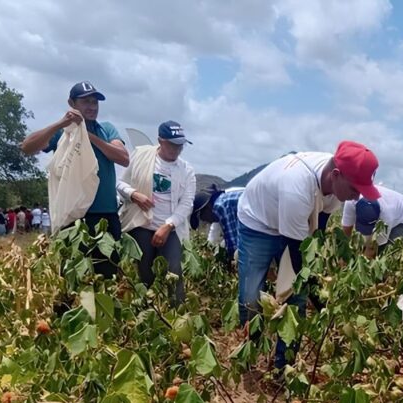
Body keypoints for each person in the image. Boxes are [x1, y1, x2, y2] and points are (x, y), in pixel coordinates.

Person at [237, 141, 381, 370]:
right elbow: (297, 257)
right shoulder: (297, 187)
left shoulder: (335, 187)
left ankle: (285, 368)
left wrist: (315, 288)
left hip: (291, 222)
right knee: (253, 294)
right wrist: (320, 300)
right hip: (259, 221)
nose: (356, 198)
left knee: (297, 301)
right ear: (336, 175)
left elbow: (316, 233)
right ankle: (248, 351)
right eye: (355, 190)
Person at [20, 81, 129, 277]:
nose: (92, 107)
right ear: (72, 103)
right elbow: (27, 147)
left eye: (95, 102)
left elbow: (123, 157)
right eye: (86, 101)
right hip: (74, 217)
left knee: (107, 276)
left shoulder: (106, 129)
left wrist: (86, 136)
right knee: (73, 277)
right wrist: (61, 124)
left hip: (106, 213)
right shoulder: (64, 133)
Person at [117, 121, 197, 304]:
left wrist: (168, 226)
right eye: (172, 145)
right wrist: (134, 194)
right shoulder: (141, 157)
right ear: (160, 141)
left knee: (174, 273)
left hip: (170, 228)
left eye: (180, 146)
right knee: (144, 273)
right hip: (142, 225)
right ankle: (147, 314)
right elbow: (121, 183)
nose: (177, 150)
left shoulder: (186, 170)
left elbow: (186, 203)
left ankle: (176, 315)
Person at [341, 184, 403, 251]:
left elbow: (374, 247)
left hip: (402, 216)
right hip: (389, 205)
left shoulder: (386, 216)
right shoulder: (351, 201)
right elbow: (346, 229)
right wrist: (345, 250)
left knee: (387, 249)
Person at [191, 186, 243, 269]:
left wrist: (230, 265)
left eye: (203, 218)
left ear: (207, 208)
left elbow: (233, 243)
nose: (207, 222)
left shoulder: (220, 206)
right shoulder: (222, 200)